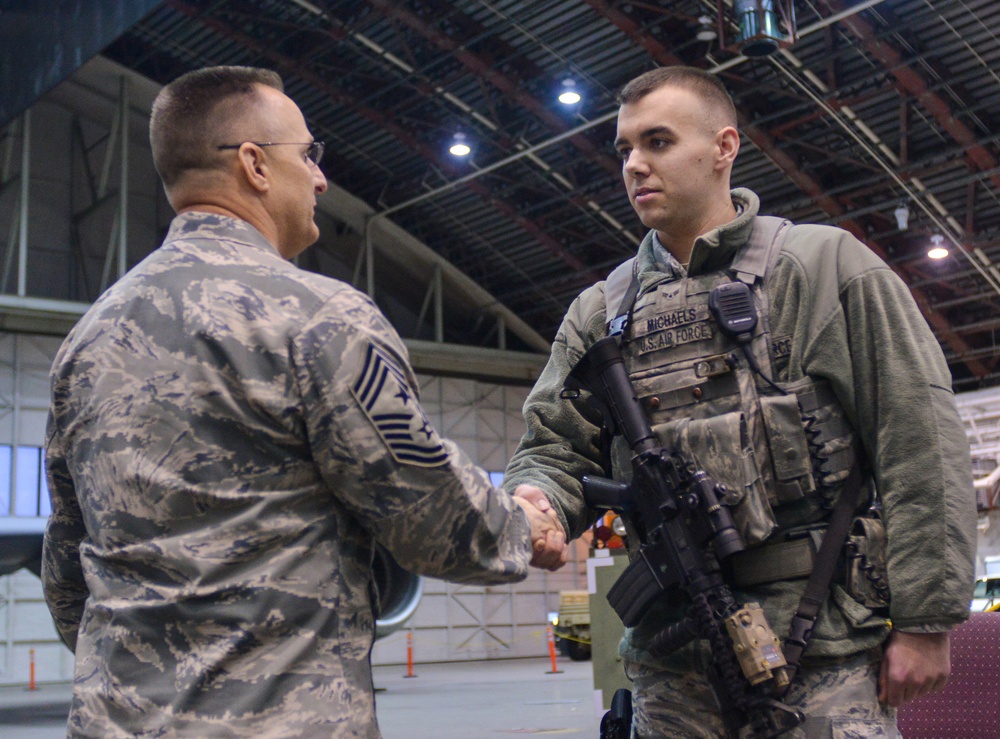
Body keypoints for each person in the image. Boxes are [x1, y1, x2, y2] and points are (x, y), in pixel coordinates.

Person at [42, 65, 567, 738]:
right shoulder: (318, 318)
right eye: (310, 155)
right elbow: (430, 516)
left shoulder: (86, 343)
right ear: (255, 165)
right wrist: (525, 525)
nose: (321, 178)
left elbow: (66, 574)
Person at [503, 66, 977, 737]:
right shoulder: (601, 312)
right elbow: (553, 446)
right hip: (673, 666)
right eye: (624, 149)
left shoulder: (824, 269)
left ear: (724, 147)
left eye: (659, 141)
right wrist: (536, 502)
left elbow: (920, 444)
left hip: (822, 652)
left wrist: (927, 621)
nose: (635, 165)